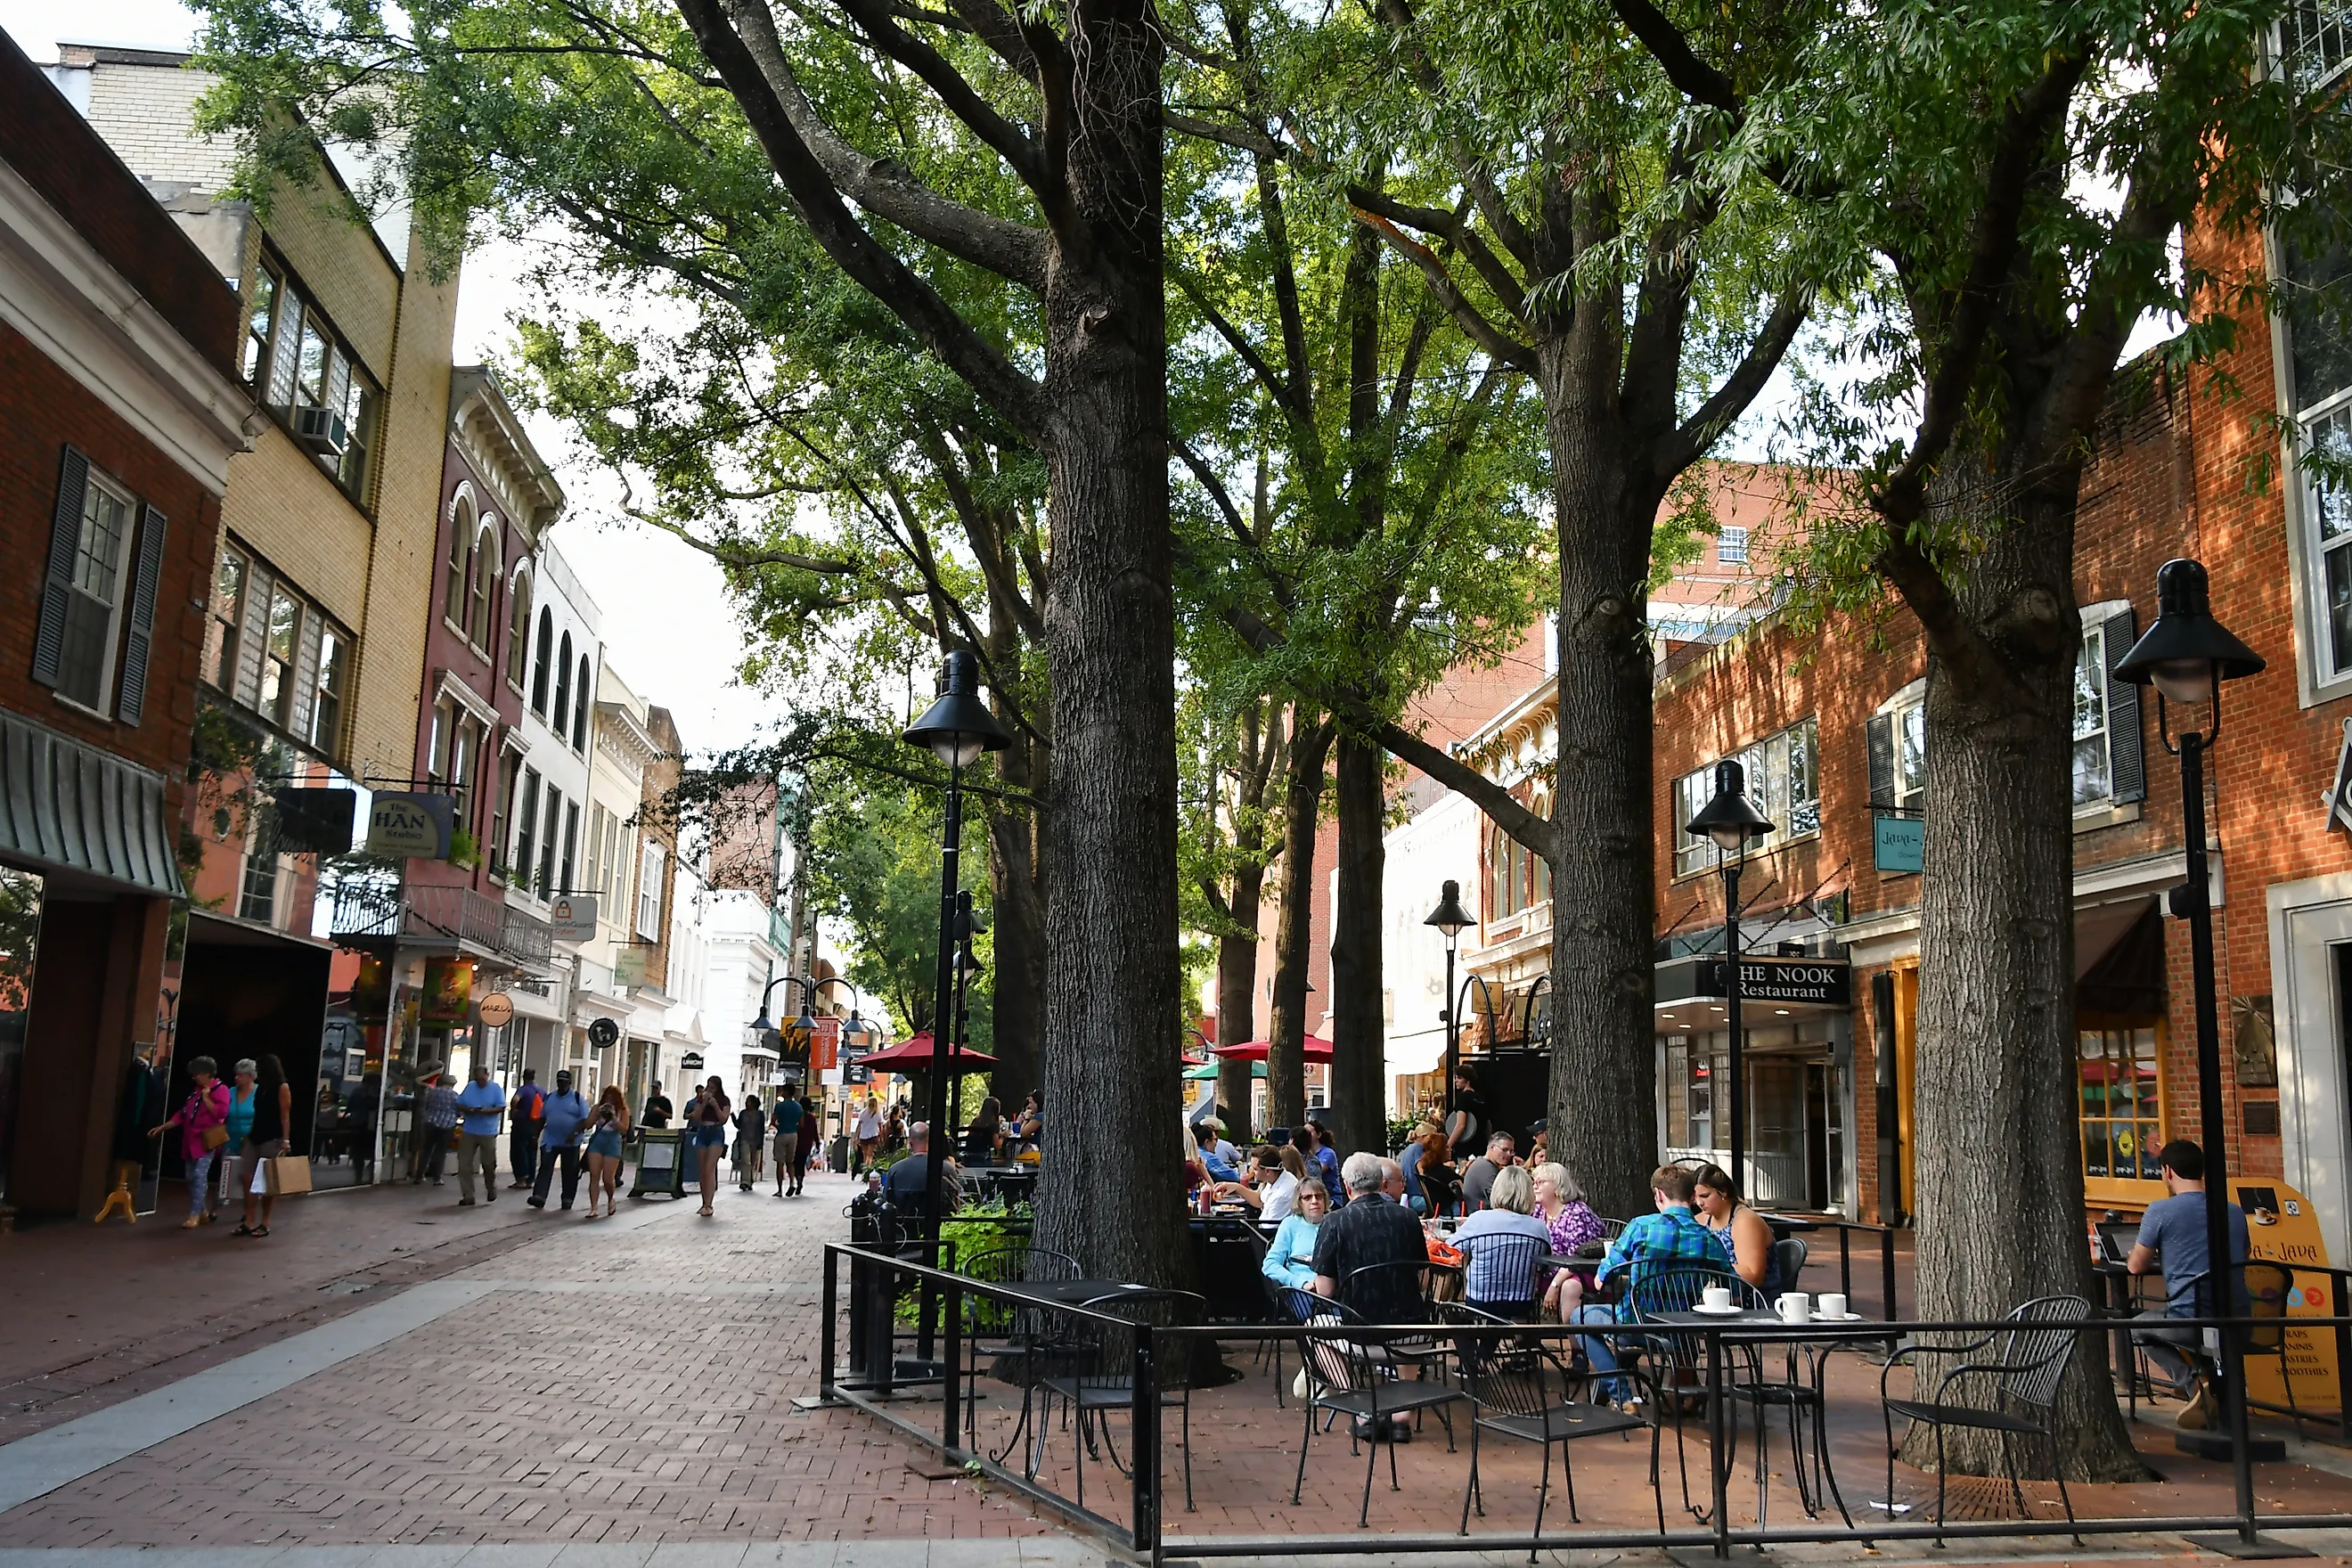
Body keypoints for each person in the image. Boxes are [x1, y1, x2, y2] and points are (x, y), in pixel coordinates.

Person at [1574, 1165, 1732, 1401]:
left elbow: (1601, 1281)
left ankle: (1622, 1395)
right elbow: (1735, 1289)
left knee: (1578, 1316)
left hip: (1635, 1325)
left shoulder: (1641, 1227)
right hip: (1682, 1332)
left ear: (1658, 1194)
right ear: (1691, 1197)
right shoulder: (1709, 1239)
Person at [2130, 1138, 2251, 1429]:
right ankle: (2212, 1395)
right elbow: (2244, 1254)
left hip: (2191, 1322)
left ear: (2168, 1171)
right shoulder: (2233, 1210)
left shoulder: (2160, 1211)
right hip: (2240, 1323)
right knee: (2207, 1332)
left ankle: (2194, 1385)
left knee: (2136, 1325)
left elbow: (2136, 1266)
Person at [1310, 1152, 1429, 1440]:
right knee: (1408, 1322)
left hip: (1360, 1333)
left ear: (1348, 1187)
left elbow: (1325, 1291)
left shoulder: (1336, 1221)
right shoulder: (1409, 1217)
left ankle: (1362, 1407)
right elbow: (1423, 1280)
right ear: (1381, 1184)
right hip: (1414, 1334)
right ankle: (1403, 1415)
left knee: (1314, 1328)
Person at [1451, 1164, 1552, 1311]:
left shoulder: (1478, 1219)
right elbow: (1546, 1266)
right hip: (1522, 1301)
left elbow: (1450, 1250)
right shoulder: (1538, 1227)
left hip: (1480, 1300)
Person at [151, 1056, 227, 1229]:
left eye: (197, 1074)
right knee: (190, 1177)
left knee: (200, 1176)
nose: (194, 1078)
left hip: (206, 1140)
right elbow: (184, 1113)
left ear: (207, 1073)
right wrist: (163, 1127)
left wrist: (208, 1098)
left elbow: (220, 1113)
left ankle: (194, 1214)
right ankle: (202, 1212)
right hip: (190, 1140)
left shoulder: (219, 1089)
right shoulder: (195, 1091)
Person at [1532, 1161, 1609, 1322]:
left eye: (1541, 1182)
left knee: (1569, 1287)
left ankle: (1576, 1345)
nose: (1535, 1186)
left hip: (1583, 1272)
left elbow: (1577, 1259)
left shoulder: (1577, 1214)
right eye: (1534, 1182)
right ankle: (1525, 1338)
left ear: (1558, 1185)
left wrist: (1555, 1285)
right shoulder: (1539, 1211)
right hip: (1550, 1271)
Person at [1693, 1163, 1782, 1300]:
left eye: (1705, 1196)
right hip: (1720, 1299)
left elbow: (1753, 1276)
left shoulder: (1745, 1221)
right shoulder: (1701, 1220)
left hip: (1755, 1302)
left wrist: (1710, 1266)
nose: (1699, 1203)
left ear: (1723, 1192)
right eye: (1696, 1197)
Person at [235, 1054, 294, 1238]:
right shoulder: (261, 1089)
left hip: (272, 1137)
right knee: (247, 1177)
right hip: (256, 1135)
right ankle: (249, 1219)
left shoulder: (281, 1087)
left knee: (268, 1182)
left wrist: (286, 1140)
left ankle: (265, 1221)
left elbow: (285, 1114)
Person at [530, 1069, 592, 1210]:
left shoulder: (577, 1098)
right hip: (550, 1140)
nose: (561, 1084)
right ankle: (539, 1196)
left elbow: (585, 1120)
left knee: (569, 1171)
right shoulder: (550, 1097)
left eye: (564, 1082)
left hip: (571, 1143)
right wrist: (535, 1135)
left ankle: (567, 1198)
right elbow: (542, 1118)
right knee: (545, 1166)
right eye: (559, 1082)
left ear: (570, 1083)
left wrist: (575, 1133)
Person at [1262, 1178, 1330, 1291]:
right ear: (1299, 1202)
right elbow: (1270, 1265)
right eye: (1307, 1197)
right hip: (1300, 1292)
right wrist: (1300, 1283)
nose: (1314, 1201)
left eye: (1319, 1196)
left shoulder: (1334, 1223)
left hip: (1332, 1291)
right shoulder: (1290, 1224)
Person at [454, 1062, 505, 1206]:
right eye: (478, 1079)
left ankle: (491, 1187)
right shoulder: (470, 1087)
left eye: (483, 1079)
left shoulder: (496, 1089)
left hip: (488, 1131)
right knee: (464, 1164)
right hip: (470, 1129)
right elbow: (459, 1103)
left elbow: (501, 1107)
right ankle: (468, 1195)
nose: (480, 1082)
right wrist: (468, 1110)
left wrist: (485, 1111)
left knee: (488, 1163)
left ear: (488, 1076)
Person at [884, 1120, 960, 1211]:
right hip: (939, 1224)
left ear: (909, 1142)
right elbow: (955, 1203)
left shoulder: (895, 1170)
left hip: (903, 1224)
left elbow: (887, 1203)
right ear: (930, 1141)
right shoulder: (947, 1169)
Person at [1215, 1145, 1299, 1221]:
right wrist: (1236, 1187)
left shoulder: (1281, 1195)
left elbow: (1268, 1231)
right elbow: (1260, 1200)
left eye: (1255, 1169)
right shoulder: (1278, 1177)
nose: (1251, 1171)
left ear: (1267, 1171)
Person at [584, 1085, 629, 1219]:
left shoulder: (623, 1110)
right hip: (598, 1140)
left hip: (613, 1142)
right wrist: (597, 1114)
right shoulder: (598, 1107)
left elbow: (624, 1129)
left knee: (608, 1178)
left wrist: (614, 1118)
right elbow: (588, 1124)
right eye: (607, 1097)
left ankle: (611, 1199)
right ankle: (594, 1208)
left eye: (612, 1097)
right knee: (594, 1175)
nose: (609, 1099)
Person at [222, 1059, 258, 1213]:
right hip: (230, 1139)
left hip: (251, 1142)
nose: (237, 1078)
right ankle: (218, 1206)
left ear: (251, 1076)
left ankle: (247, 1211)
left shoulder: (259, 1092)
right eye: (236, 1075)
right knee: (226, 1174)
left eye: (241, 1075)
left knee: (248, 1178)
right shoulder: (230, 1092)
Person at [691, 1075, 731, 1215]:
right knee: (702, 1170)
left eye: (713, 1088)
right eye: (709, 1087)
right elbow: (696, 1116)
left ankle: (709, 1204)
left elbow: (724, 1119)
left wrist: (714, 1105)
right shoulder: (701, 1098)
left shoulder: (724, 1100)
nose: (711, 1090)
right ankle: (704, 1203)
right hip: (703, 1131)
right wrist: (703, 1104)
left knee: (710, 1168)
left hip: (716, 1132)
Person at [414, 1067, 458, 1186]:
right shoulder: (454, 1096)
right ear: (450, 1084)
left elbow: (425, 1107)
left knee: (426, 1150)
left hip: (430, 1123)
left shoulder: (431, 1093)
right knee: (441, 1152)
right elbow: (459, 1111)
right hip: (447, 1125)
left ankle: (419, 1175)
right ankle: (437, 1178)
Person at [1412, 1124, 1462, 1216]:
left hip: (1438, 1211)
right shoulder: (1446, 1173)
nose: (1450, 1150)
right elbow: (1462, 1190)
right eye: (1447, 1147)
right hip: (1453, 1213)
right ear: (1440, 1151)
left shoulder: (1427, 1171)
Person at [508, 1068, 544, 1188]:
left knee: (519, 1151)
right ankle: (530, 1180)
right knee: (532, 1151)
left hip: (522, 1123)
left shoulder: (523, 1090)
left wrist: (514, 1111)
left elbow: (515, 1100)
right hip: (536, 1125)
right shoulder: (541, 1091)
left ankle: (521, 1179)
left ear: (523, 1077)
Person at [1461, 1131, 1516, 1209]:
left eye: (1511, 1151)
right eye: (1505, 1150)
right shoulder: (1485, 1169)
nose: (1509, 1154)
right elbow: (1502, 1201)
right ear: (1492, 1147)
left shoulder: (1483, 1164)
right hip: (1481, 1217)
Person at [1448, 1065, 1490, 1162]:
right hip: (1481, 1146)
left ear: (1468, 1081)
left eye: (1459, 1078)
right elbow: (1488, 1124)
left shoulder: (1462, 1097)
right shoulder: (1480, 1098)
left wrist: (1448, 1145)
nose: (1456, 1081)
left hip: (1466, 1147)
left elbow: (1461, 1125)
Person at [1300, 1120, 1343, 1206]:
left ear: (1319, 1135)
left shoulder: (1328, 1153)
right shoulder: (1304, 1154)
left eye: (1309, 1132)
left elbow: (1316, 1172)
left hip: (1331, 1199)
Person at [772, 1090, 805, 1196]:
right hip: (793, 1135)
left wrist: (779, 1126)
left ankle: (780, 1189)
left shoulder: (779, 1106)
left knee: (780, 1163)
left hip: (782, 1134)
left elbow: (773, 1121)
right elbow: (801, 1124)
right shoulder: (798, 1107)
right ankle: (791, 1183)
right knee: (790, 1162)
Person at [962, 1096, 1005, 1165]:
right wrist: (1003, 1137)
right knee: (1006, 1161)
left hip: (968, 1158)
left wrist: (999, 1133)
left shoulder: (976, 1121)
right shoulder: (993, 1125)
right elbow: (998, 1146)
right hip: (983, 1159)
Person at [735, 1092, 765, 1189]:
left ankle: (750, 1179)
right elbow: (738, 1125)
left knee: (752, 1161)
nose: (747, 1103)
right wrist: (732, 1116)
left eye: (749, 1101)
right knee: (746, 1161)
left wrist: (761, 1142)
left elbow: (761, 1128)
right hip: (744, 1139)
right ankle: (745, 1181)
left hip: (755, 1141)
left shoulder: (760, 1114)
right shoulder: (743, 1113)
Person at [791, 1093, 820, 1193]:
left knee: (794, 1163)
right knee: (801, 1163)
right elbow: (815, 1132)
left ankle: (797, 1179)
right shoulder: (812, 1118)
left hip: (796, 1142)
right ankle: (800, 1181)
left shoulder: (797, 1116)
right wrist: (817, 1143)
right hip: (807, 1144)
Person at [853, 1095, 883, 1173]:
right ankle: (868, 1171)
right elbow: (880, 1127)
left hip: (863, 1136)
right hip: (873, 1136)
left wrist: (856, 1137)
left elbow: (859, 1125)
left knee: (865, 1155)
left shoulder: (863, 1113)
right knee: (870, 1155)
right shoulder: (878, 1114)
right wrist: (882, 1137)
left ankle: (865, 1170)